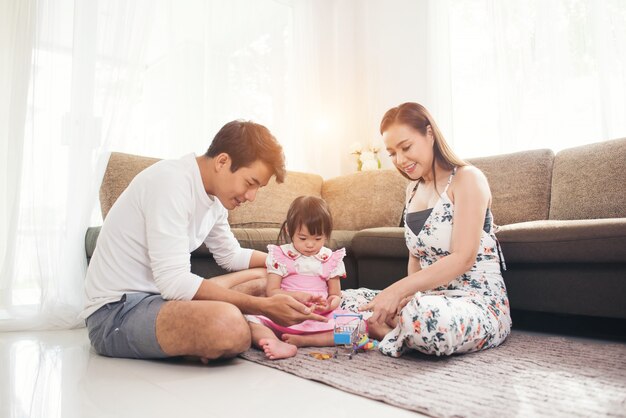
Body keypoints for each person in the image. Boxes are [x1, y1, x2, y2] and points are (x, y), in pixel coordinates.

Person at [81, 120, 327, 362]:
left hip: (161, 299)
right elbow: (174, 282)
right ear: (222, 161)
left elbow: (230, 256)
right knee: (229, 325)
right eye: (250, 183)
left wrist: (294, 263)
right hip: (117, 313)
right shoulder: (171, 183)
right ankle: (224, 331)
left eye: (258, 188)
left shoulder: (214, 200)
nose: (252, 196)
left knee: (265, 275)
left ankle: (205, 336)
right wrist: (262, 306)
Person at [341, 102, 512, 357]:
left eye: (406, 147)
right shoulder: (412, 190)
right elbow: (416, 257)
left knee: (427, 319)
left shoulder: (467, 178)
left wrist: (399, 291)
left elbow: (463, 257)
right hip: (427, 299)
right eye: (392, 153)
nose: (400, 160)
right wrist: (406, 298)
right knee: (346, 300)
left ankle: (384, 331)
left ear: (429, 134)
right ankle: (394, 326)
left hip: (476, 301)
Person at [247, 195, 357, 360]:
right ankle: (273, 341)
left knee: (357, 327)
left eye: (318, 238)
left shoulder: (330, 259)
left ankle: (304, 340)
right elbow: (272, 291)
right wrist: (297, 297)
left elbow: (335, 294)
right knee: (250, 320)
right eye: (303, 238)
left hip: (319, 318)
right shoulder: (281, 256)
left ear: (326, 235)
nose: (310, 244)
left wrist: (328, 305)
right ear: (289, 232)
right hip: (285, 315)